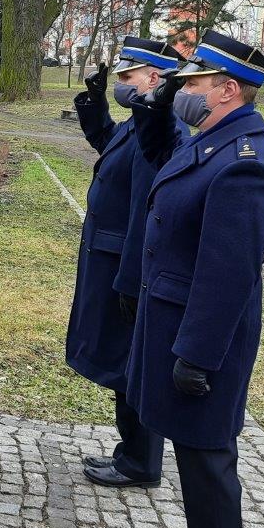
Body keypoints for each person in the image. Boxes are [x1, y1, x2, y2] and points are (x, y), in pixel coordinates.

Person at [124, 28, 264, 528]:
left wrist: (197, 354)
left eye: (191, 83)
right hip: (179, 324)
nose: (182, 91)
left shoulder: (244, 163)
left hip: (204, 337)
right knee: (192, 453)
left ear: (227, 90)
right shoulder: (212, 141)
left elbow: (228, 274)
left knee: (209, 458)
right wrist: (157, 109)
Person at [67, 37, 186, 489]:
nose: (120, 84)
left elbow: (146, 210)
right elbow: (105, 139)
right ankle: (131, 452)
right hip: (112, 260)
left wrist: (132, 280)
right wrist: (95, 100)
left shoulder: (162, 131)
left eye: (126, 77)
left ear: (154, 78)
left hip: (126, 266)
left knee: (132, 361)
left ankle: (140, 461)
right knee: (124, 360)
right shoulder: (139, 125)